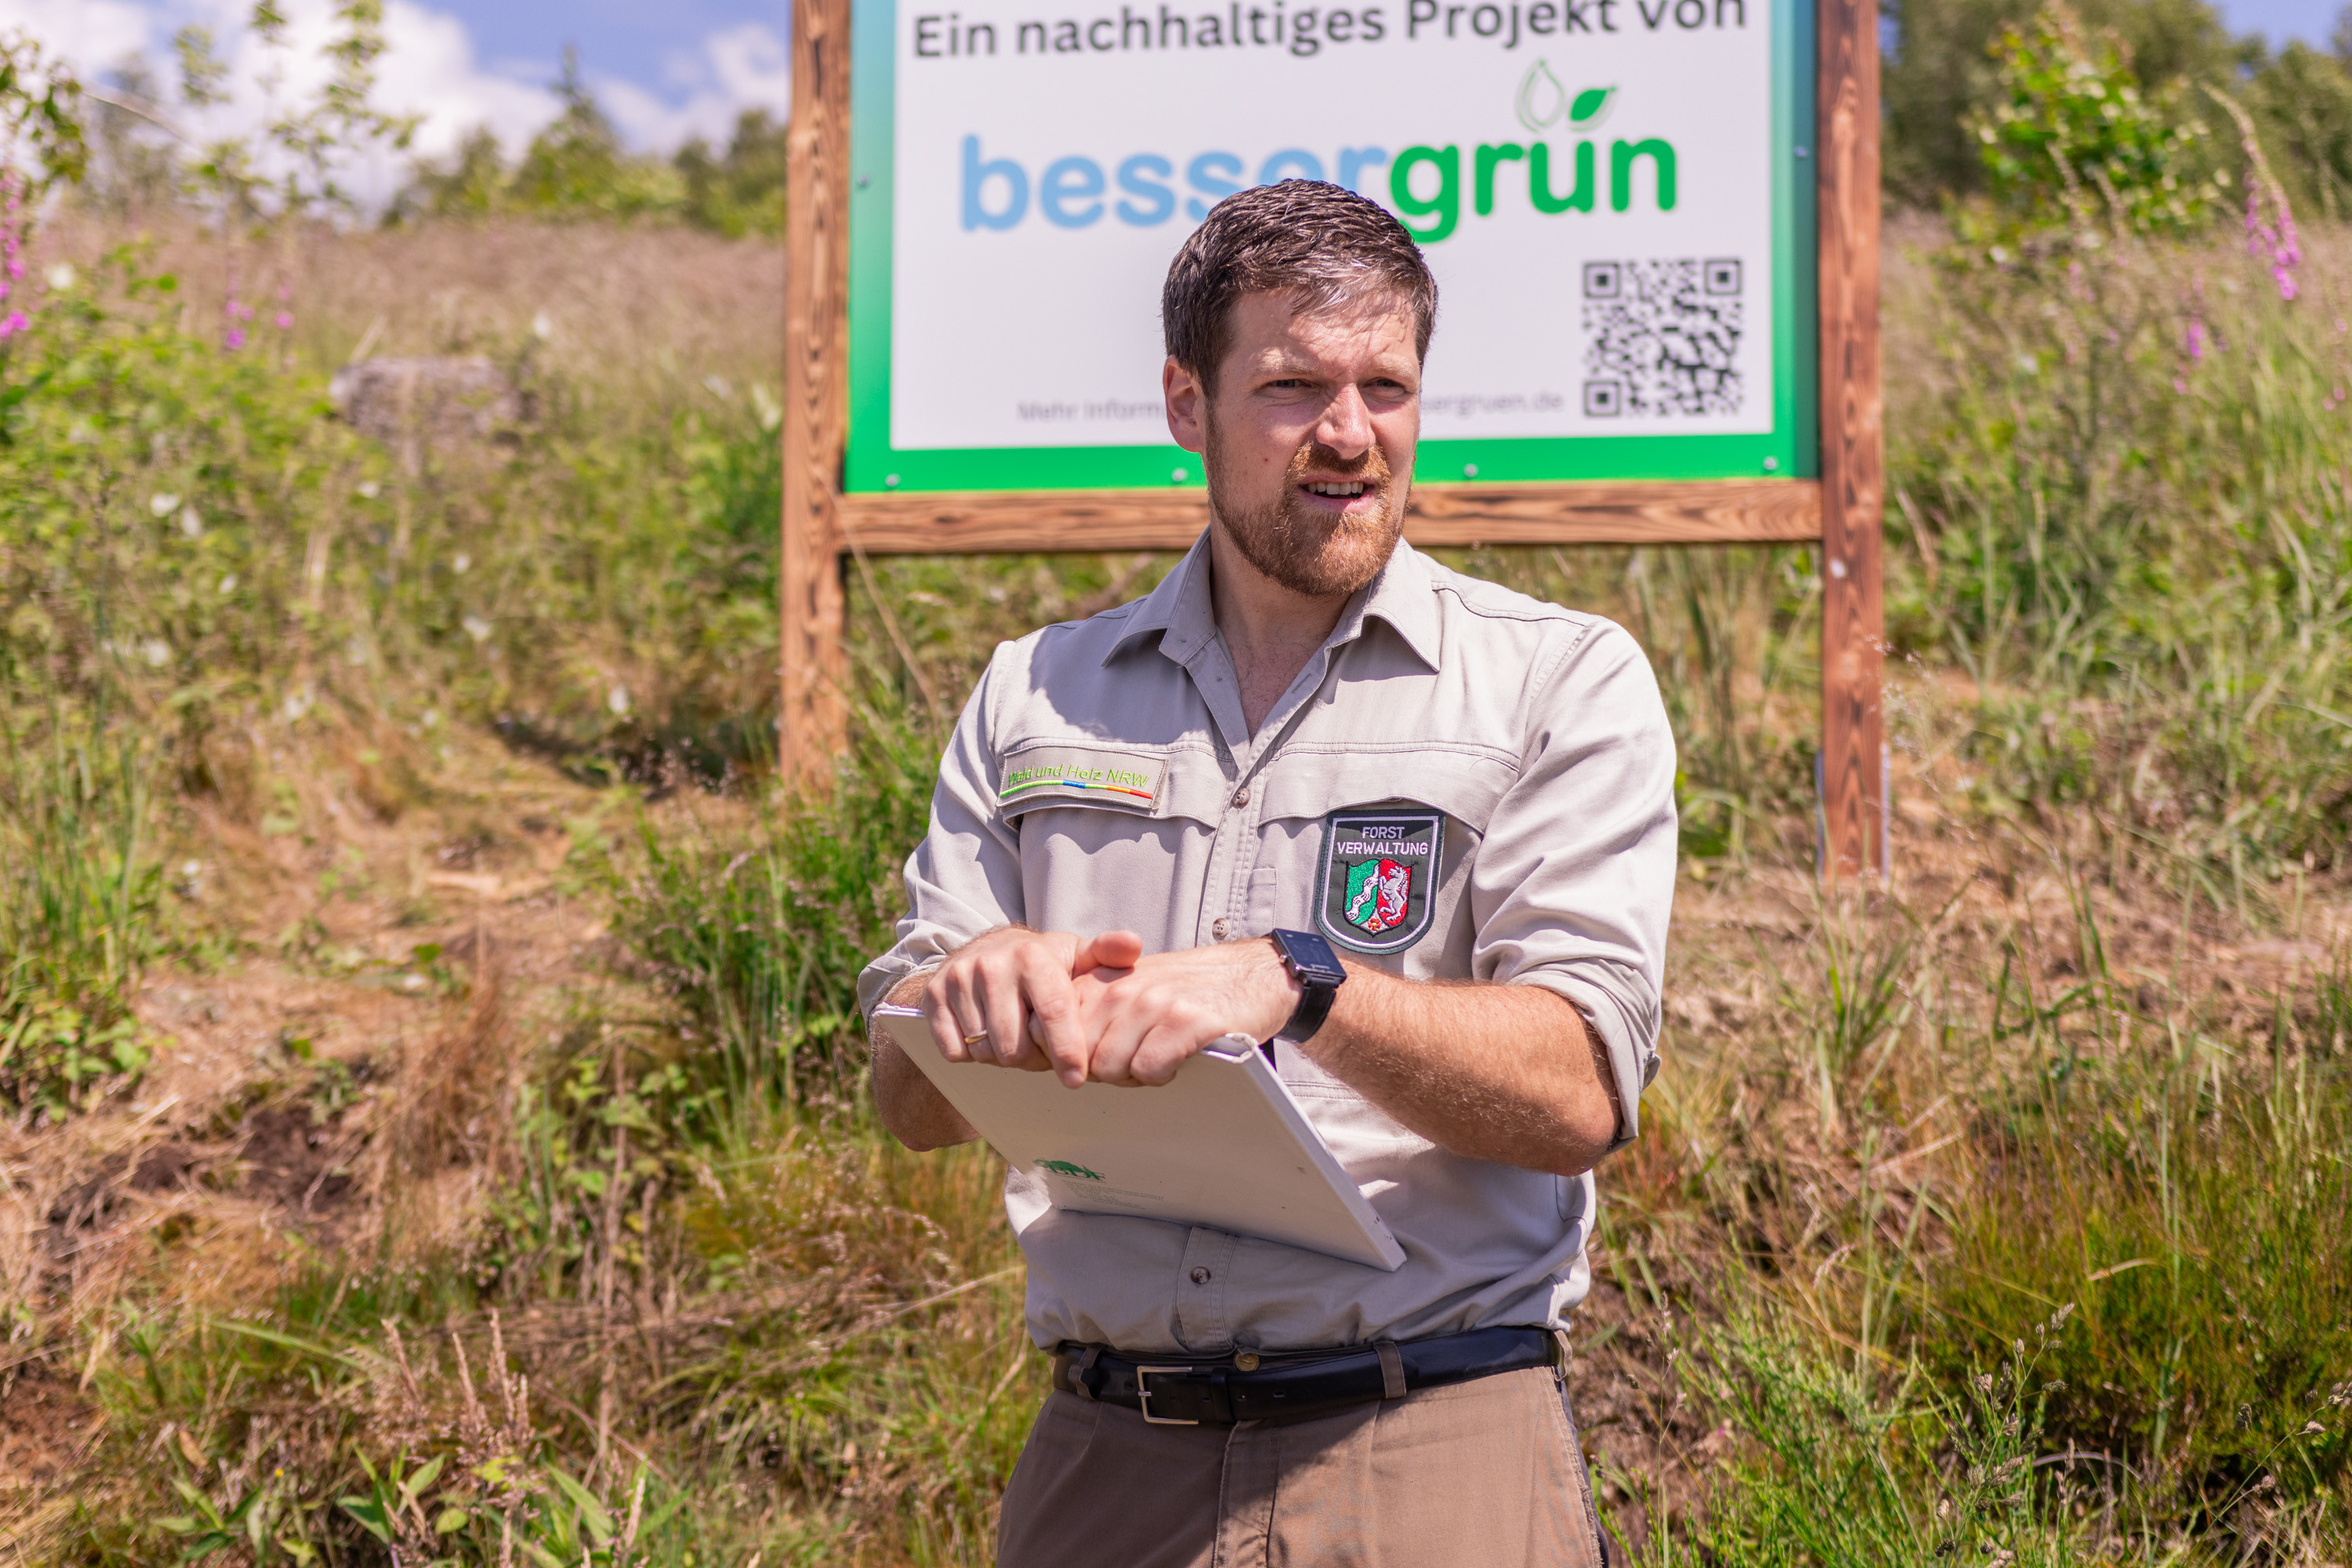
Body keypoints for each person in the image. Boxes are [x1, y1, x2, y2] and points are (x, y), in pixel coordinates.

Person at [857, 180, 1677, 1568]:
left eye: (1386, 386)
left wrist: (1302, 986)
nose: (1350, 436)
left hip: (1428, 1448)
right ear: (1187, 404)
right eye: (1294, 386)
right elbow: (907, 1109)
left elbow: (1582, 1091)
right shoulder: (1034, 693)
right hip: (1104, 1461)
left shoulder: (1559, 678)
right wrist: (961, 999)